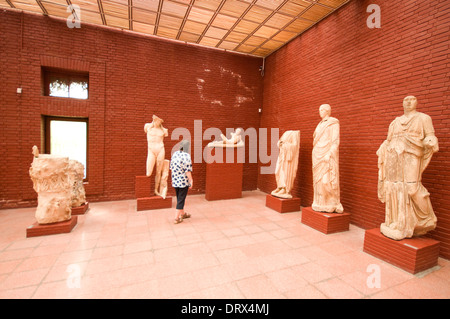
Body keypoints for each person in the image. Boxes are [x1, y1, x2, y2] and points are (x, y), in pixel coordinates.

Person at [377, 95, 438, 240]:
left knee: (411, 187)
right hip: (393, 156)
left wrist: (431, 141)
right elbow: (388, 140)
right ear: (402, 103)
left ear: (417, 102)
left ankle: (426, 218)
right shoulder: (395, 122)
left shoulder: (423, 118)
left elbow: (430, 136)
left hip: (411, 154)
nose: (409, 102)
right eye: (406, 100)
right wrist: (382, 148)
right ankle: (396, 223)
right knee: (393, 187)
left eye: (412, 99)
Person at [311, 104, 344, 213]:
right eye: (319, 110)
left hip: (327, 154)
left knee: (326, 180)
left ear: (327, 111)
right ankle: (320, 202)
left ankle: (332, 202)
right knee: (318, 181)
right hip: (317, 154)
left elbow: (335, 141)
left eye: (321, 110)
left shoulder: (333, 123)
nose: (320, 112)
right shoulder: (319, 124)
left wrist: (329, 153)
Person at [271, 130, 300, 199]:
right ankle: (279, 186)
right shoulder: (285, 133)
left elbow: (295, 146)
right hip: (282, 155)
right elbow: (279, 142)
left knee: (285, 172)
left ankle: (285, 188)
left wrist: (286, 144)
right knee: (277, 171)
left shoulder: (294, 134)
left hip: (288, 157)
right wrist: (280, 143)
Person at [170, 140, 193, 224]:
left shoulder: (175, 154)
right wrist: (191, 181)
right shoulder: (186, 156)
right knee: (181, 199)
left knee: (179, 198)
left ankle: (183, 214)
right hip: (183, 182)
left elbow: (171, 167)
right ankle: (176, 218)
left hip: (175, 181)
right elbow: (187, 171)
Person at [144, 115, 168, 196]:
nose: (158, 123)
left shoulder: (164, 130)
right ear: (154, 120)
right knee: (149, 172)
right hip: (151, 150)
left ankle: (156, 190)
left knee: (158, 171)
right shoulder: (147, 127)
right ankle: (145, 190)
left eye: (160, 122)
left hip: (160, 149)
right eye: (157, 121)